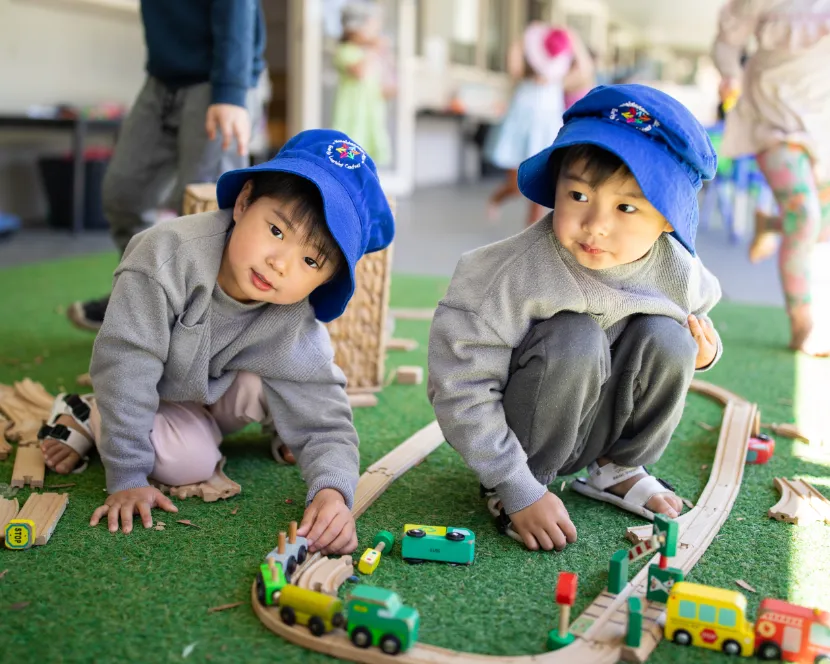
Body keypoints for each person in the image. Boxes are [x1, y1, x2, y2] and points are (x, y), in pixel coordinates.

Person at [38, 129, 394, 554]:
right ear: (244, 202)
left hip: (215, 384)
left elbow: (324, 414)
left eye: (311, 260)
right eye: (277, 231)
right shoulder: (164, 255)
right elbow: (127, 366)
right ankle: (87, 410)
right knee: (191, 462)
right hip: (156, 390)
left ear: (326, 278)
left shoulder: (293, 313)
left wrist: (332, 493)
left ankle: (270, 424)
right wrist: (129, 477)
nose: (279, 264)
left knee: (294, 385)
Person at [428, 85, 722, 552]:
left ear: (668, 219)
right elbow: (459, 386)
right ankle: (525, 487)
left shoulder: (677, 268)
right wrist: (516, 484)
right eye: (579, 194)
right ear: (557, 185)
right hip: (523, 441)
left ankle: (617, 468)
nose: (596, 224)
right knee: (574, 334)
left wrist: (705, 353)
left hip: (601, 419)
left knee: (673, 338)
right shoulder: (511, 272)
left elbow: (699, 315)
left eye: (626, 207)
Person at [67, 0, 268, 333]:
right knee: (124, 192)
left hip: (220, 79)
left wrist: (231, 93)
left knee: (206, 212)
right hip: (162, 79)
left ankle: (205, 327)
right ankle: (140, 298)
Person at [713, 0, 830, 356]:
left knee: (821, 223)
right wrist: (730, 72)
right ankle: (803, 323)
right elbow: (726, 42)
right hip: (771, 120)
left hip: (820, 121)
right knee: (806, 214)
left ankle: (770, 225)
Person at [485, 23, 572, 227]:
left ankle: (529, 238)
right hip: (520, 136)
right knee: (515, 186)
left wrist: (570, 39)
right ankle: (496, 199)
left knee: (539, 190)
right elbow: (514, 66)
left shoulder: (559, 80)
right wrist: (524, 39)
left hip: (545, 137)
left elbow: (585, 69)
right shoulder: (524, 82)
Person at [331, 2, 395, 168]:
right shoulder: (346, 50)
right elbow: (360, 72)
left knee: (369, 162)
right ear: (353, 30)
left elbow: (385, 87)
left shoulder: (370, 55)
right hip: (352, 120)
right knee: (349, 160)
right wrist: (373, 50)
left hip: (371, 118)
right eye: (369, 28)